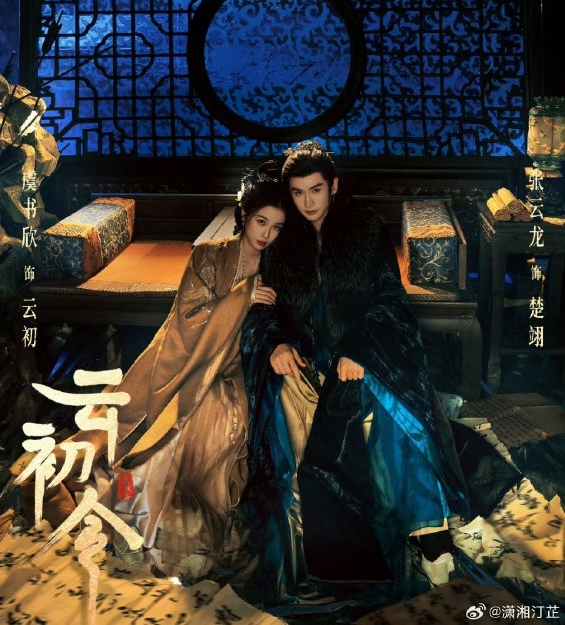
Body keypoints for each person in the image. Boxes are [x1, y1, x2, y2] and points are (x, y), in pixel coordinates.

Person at [12, 164, 287, 582]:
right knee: (143, 445)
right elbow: (186, 323)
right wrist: (242, 297)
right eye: (261, 221)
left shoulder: (278, 270)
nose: (266, 233)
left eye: (277, 227)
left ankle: (153, 522)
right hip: (182, 370)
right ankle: (122, 511)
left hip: (232, 380)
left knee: (207, 449)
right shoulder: (209, 256)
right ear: (245, 214)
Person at [239, 142, 468, 607]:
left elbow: (389, 298)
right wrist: (276, 343)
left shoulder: (365, 230)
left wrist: (360, 350)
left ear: (334, 186)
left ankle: (428, 531)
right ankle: (330, 548)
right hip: (304, 360)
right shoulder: (281, 239)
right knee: (283, 416)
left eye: (316, 190)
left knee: (391, 408)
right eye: (298, 192)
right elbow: (263, 309)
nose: (307, 202)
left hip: (361, 353)